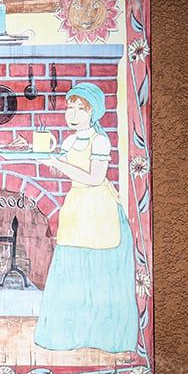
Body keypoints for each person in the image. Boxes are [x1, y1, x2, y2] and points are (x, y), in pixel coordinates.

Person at [26, 83, 139, 353]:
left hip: (99, 208)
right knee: (73, 267)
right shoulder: (68, 140)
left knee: (99, 269)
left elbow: (94, 177)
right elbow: (64, 171)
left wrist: (59, 164)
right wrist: (45, 158)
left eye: (81, 108)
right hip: (77, 206)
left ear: (94, 112)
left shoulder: (100, 141)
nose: (73, 114)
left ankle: (105, 337)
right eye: (70, 107)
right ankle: (69, 334)